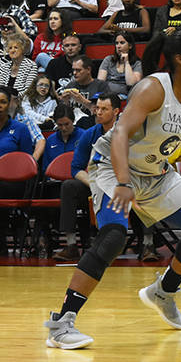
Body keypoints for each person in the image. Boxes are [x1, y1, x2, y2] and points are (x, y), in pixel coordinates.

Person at [46, 33, 181, 348]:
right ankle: (61, 324)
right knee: (113, 235)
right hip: (114, 166)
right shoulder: (153, 88)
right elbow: (120, 134)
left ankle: (163, 291)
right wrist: (124, 183)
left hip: (155, 173)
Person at [52, 93, 117, 261]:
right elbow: (76, 168)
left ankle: (147, 244)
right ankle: (71, 245)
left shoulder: (130, 131)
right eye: (97, 109)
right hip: (96, 183)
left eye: (104, 109)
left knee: (145, 186)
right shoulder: (89, 134)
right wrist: (94, 183)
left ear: (116, 111)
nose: (98, 112)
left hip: (124, 182)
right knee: (68, 186)